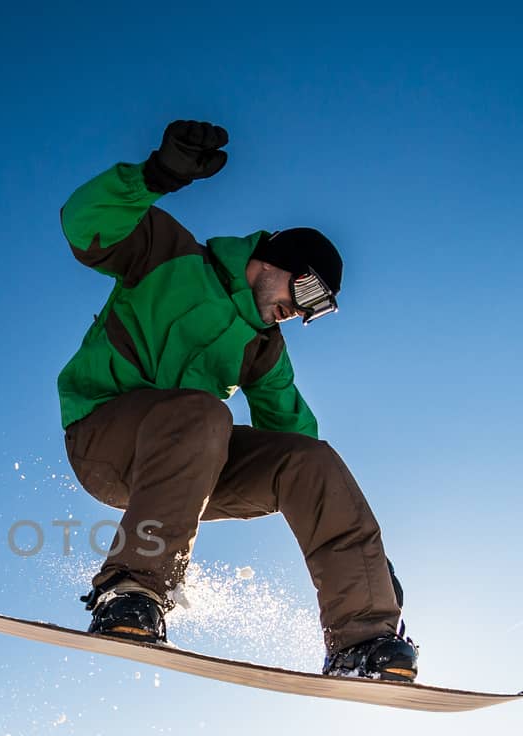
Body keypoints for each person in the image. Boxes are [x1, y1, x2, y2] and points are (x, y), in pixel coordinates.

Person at [57, 119, 418, 682]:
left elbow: (297, 441)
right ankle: (130, 591)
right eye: (305, 293)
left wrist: (372, 564)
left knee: (311, 463)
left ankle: (363, 639)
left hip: (187, 468)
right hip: (104, 437)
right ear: (272, 261)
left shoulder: (264, 347)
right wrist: (155, 175)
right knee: (204, 413)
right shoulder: (169, 256)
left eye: (314, 310)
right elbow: (83, 225)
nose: (298, 313)